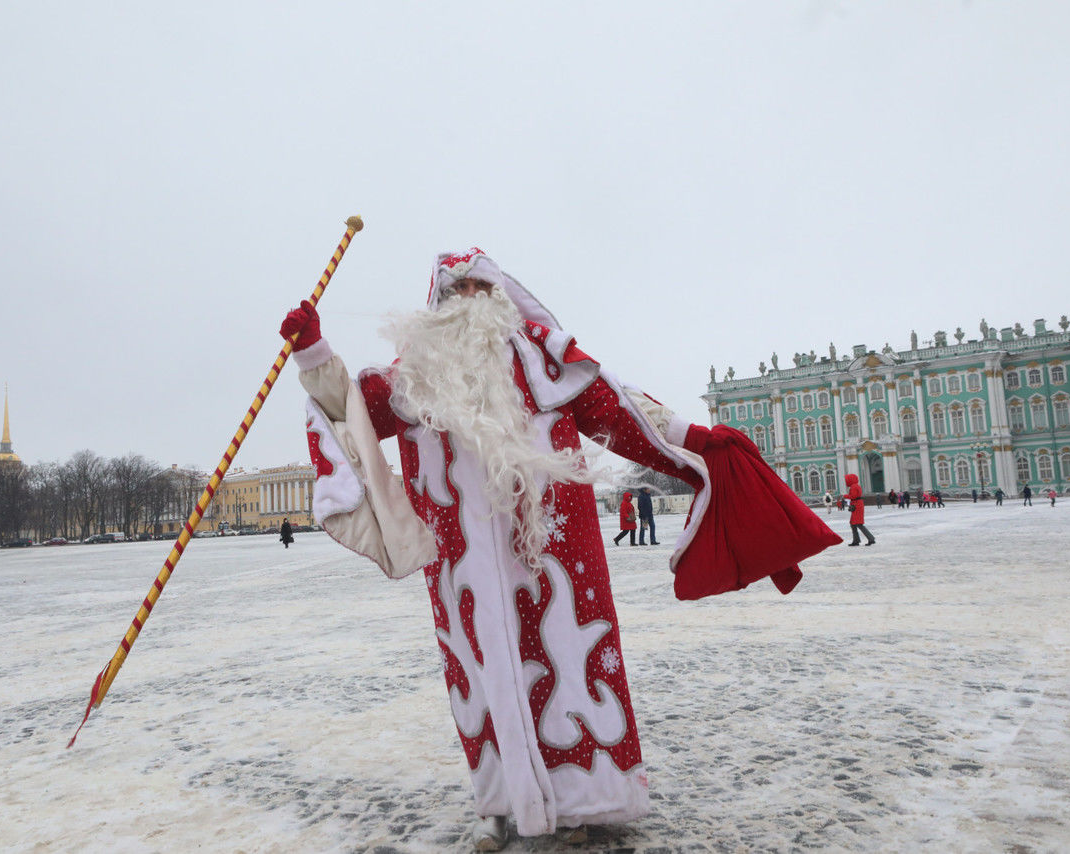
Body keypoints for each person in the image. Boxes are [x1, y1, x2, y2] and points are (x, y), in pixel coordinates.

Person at [279, 247, 839, 850]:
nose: (466, 300)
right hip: (459, 556)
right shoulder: (414, 374)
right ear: (437, 303)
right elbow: (348, 409)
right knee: (478, 667)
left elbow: (619, 410)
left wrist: (696, 440)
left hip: (552, 544)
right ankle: (496, 801)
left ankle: (586, 801)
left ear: (497, 296)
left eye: (477, 288)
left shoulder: (545, 358)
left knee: (567, 659)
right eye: (454, 290)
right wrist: (313, 350)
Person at [845, 473, 875, 546]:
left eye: (847, 480)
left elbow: (853, 496)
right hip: (856, 504)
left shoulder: (854, 487)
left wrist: (845, 496)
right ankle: (856, 540)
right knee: (853, 523)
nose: (846, 481)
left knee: (858, 523)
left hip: (857, 505)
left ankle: (871, 539)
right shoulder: (855, 486)